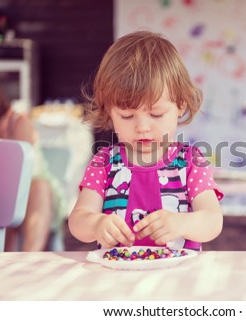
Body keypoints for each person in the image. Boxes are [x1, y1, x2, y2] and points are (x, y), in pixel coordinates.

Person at [68, 30, 223, 250]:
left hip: (179, 277)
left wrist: (181, 223)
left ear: (180, 106)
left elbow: (213, 220)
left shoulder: (190, 162)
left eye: (156, 114)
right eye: (127, 116)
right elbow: (77, 220)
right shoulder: (103, 162)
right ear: (109, 112)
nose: (142, 127)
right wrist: (95, 223)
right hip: (118, 277)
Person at [0, 73, 65, 251]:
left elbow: (23, 172)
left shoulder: (17, 122)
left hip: (31, 192)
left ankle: (27, 257)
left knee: (36, 187)